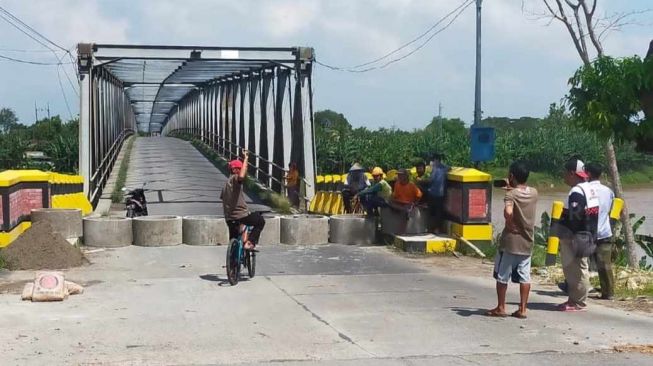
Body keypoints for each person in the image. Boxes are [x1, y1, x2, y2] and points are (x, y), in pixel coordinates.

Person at [486, 161, 538, 319]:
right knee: (525, 275)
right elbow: (521, 195)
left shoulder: (510, 195)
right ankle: (522, 308)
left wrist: (510, 221)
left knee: (502, 276)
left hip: (511, 241)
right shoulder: (534, 192)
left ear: (511, 176)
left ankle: (501, 307)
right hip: (527, 241)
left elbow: (509, 211)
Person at [557, 157, 598, 312]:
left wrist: (569, 235)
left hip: (575, 237)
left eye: (565, 173)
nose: (564, 176)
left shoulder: (576, 192)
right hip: (588, 235)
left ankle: (578, 302)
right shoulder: (589, 188)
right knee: (578, 268)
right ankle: (573, 299)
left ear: (572, 173)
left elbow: (575, 217)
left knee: (576, 270)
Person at [221, 150, 266, 250]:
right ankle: (250, 243)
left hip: (229, 218)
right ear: (236, 170)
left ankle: (232, 263)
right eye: (241, 169)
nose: (244, 171)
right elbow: (241, 176)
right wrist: (246, 158)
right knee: (260, 221)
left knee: (233, 239)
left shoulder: (226, 185)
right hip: (240, 215)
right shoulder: (235, 179)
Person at [585, 162, 616, 300]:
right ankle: (608, 292)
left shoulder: (584, 189)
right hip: (605, 232)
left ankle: (577, 288)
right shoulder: (608, 191)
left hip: (587, 232)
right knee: (605, 266)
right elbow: (610, 209)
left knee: (579, 262)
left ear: (588, 174)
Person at [427, 153, 450, 233]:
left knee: (432, 212)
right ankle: (436, 229)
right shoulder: (444, 168)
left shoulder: (434, 168)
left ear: (436, 160)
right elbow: (449, 168)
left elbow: (431, 180)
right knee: (438, 212)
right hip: (440, 194)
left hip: (433, 193)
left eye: (433, 160)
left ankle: (431, 228)